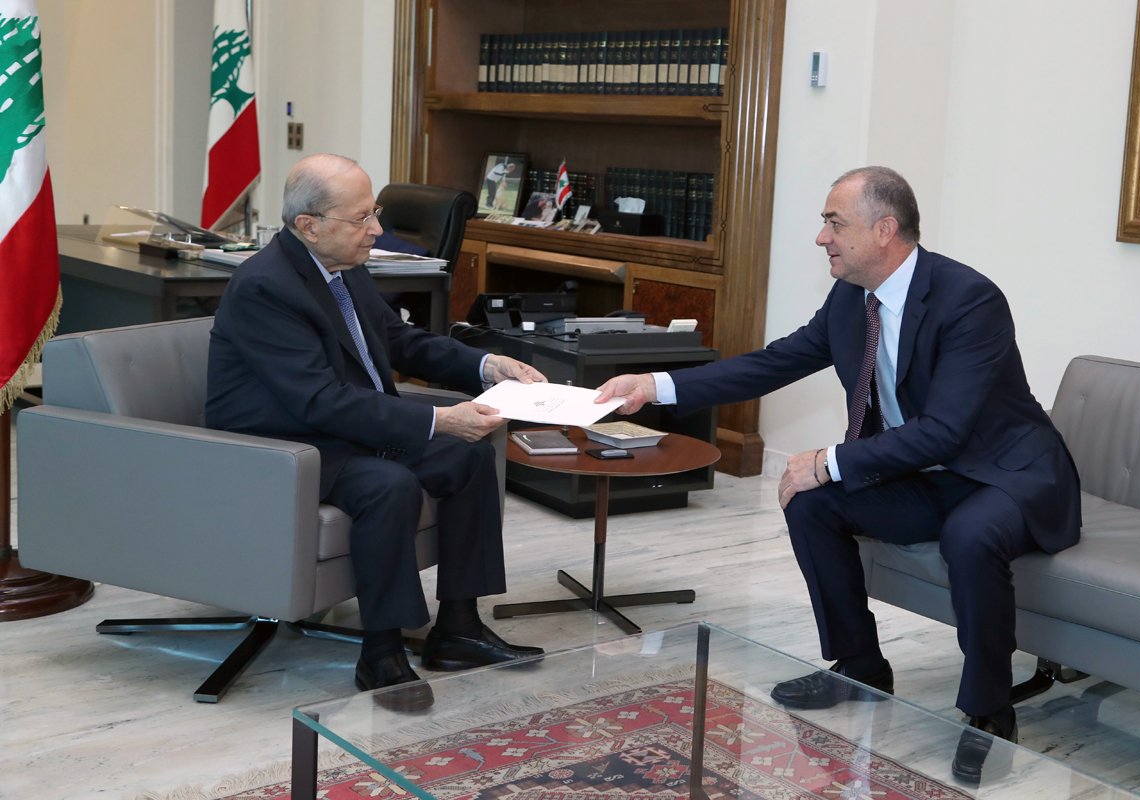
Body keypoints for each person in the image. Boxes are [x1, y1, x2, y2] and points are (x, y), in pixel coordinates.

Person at [595, 166, 1081, 784]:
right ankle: (860, 665)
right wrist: (654, 385)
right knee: (810, 503)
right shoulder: (853, 297)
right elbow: (775, 362)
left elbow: (947, 431)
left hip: (1002, 472)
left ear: (884, 229)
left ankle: (989, 712)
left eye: (834, 223)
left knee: (969, 535)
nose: (822, 237)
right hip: (926, 471)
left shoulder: (969, 299)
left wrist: (828, 461)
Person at [206, 153, 545, 701]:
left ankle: (459, 629)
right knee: (388, 485)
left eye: (375, 213)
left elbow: (400, 340)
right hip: (285, 445)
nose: (377, 230)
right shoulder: (265, 287)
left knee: (468, 456)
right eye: (361, 218)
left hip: (348, 427)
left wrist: (486, 366)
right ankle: (381, 653)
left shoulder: (344, 268)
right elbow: (317, 400)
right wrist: (438, 419)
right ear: (308, 225)